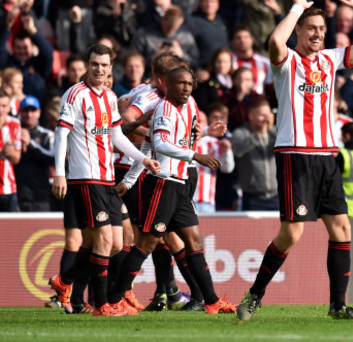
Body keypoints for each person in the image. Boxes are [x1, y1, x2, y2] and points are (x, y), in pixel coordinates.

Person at [236, 0, 353, 322]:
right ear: (298, 29)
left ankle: (338, 306)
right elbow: (273, 41)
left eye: (322, 29)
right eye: (311, 28)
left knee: (342, 229)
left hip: (327, 156)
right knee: (292, 233)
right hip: (295, 155)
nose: (317, 34)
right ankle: (254, 296)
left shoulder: (330, 59)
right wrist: (297, 7)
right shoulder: (286, 63)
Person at [108, 67, 234, 315]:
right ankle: (113, 299)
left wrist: (130, 179)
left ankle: (211, 301)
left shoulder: (189, 107)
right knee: (147, 243)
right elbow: (160, 144)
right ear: (169, 86)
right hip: (163, 183)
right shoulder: (164, 108)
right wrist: (195, 155)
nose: (186, 88)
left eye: (189, 83)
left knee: (194, 241)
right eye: (181, 83)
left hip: (180, 183)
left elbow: (147, 144)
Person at [49, 44, 161, 317]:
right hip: (85, 178)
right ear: (88, 65)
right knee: (101, 242)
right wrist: (60, 173)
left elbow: (116, 136)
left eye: (104, 65)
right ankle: (102, 305)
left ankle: (64, 282)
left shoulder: (110, 96)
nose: (99, 69)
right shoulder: (75, 94)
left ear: (111, 68)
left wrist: (142, 159)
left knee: (116, 243)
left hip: (107, 177)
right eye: (94, 64)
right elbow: (61, 134)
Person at [231, 98, 278, 211]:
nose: (265, 119)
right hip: (252, 197)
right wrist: (259, 134)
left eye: (268, 115)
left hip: (276, 196)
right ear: (251, 116)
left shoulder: (275, 133)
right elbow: (238, 150)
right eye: (262, 115)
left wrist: (271, 129)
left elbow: (286, 146)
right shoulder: (241, 133)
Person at [14, 95, 55, 212]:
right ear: (19, 112)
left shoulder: (47, 134)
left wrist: (31, 144)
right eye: (25, 110)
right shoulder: (12, 132)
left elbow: (52, 158)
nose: (29, 114)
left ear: (39, 112)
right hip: (17, 194)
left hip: (40, 196)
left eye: (33, 110)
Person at [0, 89, 21, 211]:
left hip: (9, 188)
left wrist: (10, 152)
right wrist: (3, 152)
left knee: (8, 228)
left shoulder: (14, 123)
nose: (1, 110)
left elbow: (16, 158)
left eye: (4, 106)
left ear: (9, 108)